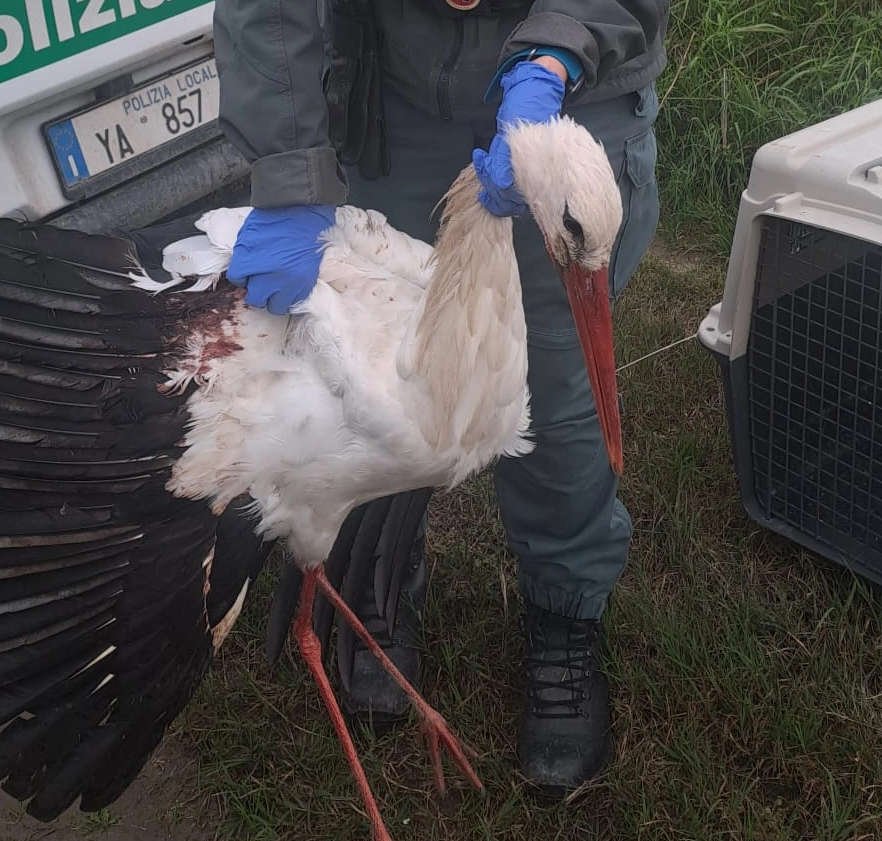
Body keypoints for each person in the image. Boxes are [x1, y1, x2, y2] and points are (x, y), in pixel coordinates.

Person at [212, 0, 668, 798]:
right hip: (400, 94)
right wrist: (289, 173)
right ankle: (380, 581)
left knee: (556, 398)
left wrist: (556, 54)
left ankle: (563, 613)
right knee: (381, 388)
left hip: (574, 85)